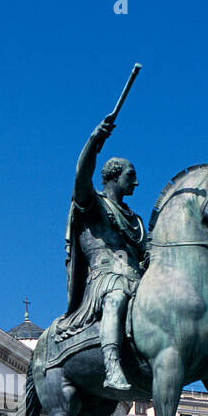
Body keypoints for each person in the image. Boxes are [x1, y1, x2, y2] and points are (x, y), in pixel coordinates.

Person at [55, 116, 147, 390]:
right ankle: (112, 366)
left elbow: (148, 250)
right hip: (106, 277)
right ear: (113, 177)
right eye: (131, 176)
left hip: (138, 278)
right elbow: (81, 175)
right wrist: (94, 141)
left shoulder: (136, 220)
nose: (137, 183)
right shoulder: (93, 204)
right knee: (116, 297)